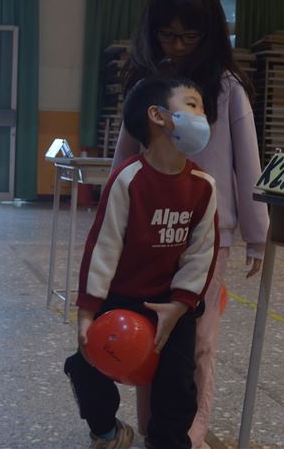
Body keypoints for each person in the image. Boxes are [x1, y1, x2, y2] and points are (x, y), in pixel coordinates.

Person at [111, 0, 269, 448]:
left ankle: (192, 431)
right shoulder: (149, 84)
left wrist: (257, 235)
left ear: (209, 33)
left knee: (199, 339)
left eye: (189, 36)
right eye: (167, 34)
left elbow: (248, 162)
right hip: (152, 234)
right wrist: (113, 223)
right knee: (150, 331)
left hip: (208, 237)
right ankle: (154, 426)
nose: (177, 45)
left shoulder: (227, 87)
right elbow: (124, 157)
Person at [64, 76, 219, 449]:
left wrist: (180, 305)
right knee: (87, 364)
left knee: (177, 384)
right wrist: (87, 313)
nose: (203, 115)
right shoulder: (128, 179)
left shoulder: (204, 185)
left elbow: (201, 254)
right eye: (192, 105)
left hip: (171, 301)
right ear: (158, 116)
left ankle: (167, 443)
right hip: (123, 296)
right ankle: (106, 431)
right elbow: (103, 248)